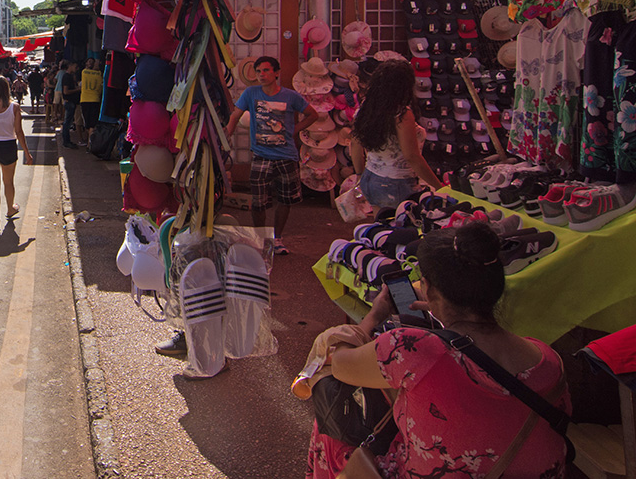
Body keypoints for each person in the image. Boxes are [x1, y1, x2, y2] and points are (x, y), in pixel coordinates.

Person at [311, 223, 570, 478]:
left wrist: (372, 318)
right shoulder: (548, 359)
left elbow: (340, 363)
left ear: (430, 289)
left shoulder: (412, 348)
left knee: (329, 433)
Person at [224, 56, 318, 254]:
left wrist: (295, 130)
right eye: (258, 71)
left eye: (266, 70)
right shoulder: (251, 93)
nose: (261, 75)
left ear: (276, 73)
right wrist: (227, 135)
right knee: (258, 202)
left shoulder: (290, 97)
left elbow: (313, 114)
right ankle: (261, 237)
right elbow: (235, 115)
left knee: (285, 199)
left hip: (286, 155)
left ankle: (277, 238)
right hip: (261, 155)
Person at [349, 60, 444, 207]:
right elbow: (412, 156)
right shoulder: (401, 115)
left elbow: (355, 144)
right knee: (401, 227)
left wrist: (360, 175)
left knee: (380, 227)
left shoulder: (367, 107)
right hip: (395, 183)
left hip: (370, 177)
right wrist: (439, 187)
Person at [0, 75, 33, 231]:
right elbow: (19, 132)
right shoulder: (15, 107)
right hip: (9, 146)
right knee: (8, 182)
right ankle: (11, 209)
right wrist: (27, 152)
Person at [79, 59, 103, 146]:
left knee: (87, 123)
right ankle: (90, 142)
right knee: (93, 123)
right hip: (95, 99)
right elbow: (100, 89)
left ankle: (89, 142)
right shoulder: (99, 74)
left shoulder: (84, 72)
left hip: (84, 100)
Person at [59, 60, 81, 150]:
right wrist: (78, 89)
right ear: (70, 65)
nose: (76, 69)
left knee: (68, 122)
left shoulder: (70, 76)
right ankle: (66, 141)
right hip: (69, 102)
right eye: (75, 67)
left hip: (70, 102)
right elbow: (66, 91)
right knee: (67, 123)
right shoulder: (67, 77)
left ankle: (67, 141)